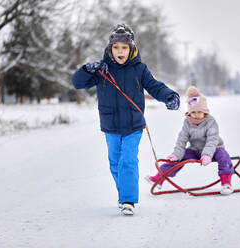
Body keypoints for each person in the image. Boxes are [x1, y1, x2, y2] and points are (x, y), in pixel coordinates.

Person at [71, 24, 180, 215]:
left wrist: (169, 96)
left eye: (124, 47)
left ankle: (128, 200)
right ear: (110, 49)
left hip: (133, 124)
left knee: (127, 160)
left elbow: (154, 86)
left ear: (131, 49)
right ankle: (124, 194)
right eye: (116, 47)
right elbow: (78, 83)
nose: (120, 51)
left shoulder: (139, 69)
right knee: (115, 162)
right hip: (110, 124)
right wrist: (87, 69)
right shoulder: (102, 70)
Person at [145, 86, 234, 195]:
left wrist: (207, 155)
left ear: (205, 112)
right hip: (195, 150)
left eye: (199, 112)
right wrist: (176, 154)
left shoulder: (211, 122)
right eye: (193, 112)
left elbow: (212, 140)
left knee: (224, 156)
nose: (196, 115)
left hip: (214, 149)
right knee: (179, 157)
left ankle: (226, 183)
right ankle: (159, 178)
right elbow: (181, 139)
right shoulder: (187, 123)